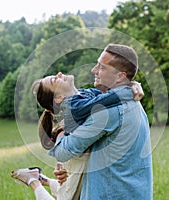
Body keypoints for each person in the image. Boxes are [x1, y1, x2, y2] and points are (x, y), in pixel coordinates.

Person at [11, 69, 144, 199]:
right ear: (59, 97)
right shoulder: (72, 116)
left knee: (66, 189)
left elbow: (107, 95)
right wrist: (129, 88)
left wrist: (131, 84)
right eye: (54, 80)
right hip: (77, 181)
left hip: (81, 181)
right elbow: (109, 99)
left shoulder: (85, 96)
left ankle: (42, 179)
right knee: (65, 194)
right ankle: (34, 181)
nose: (59, 74)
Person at [49, 44, 153, 199]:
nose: (94, 70)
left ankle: (34, 180)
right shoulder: (131, 99)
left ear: (120, 76)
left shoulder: (108, 112)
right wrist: (70, 168)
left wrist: (60, 132)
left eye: (102, 67)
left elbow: (62, 152)